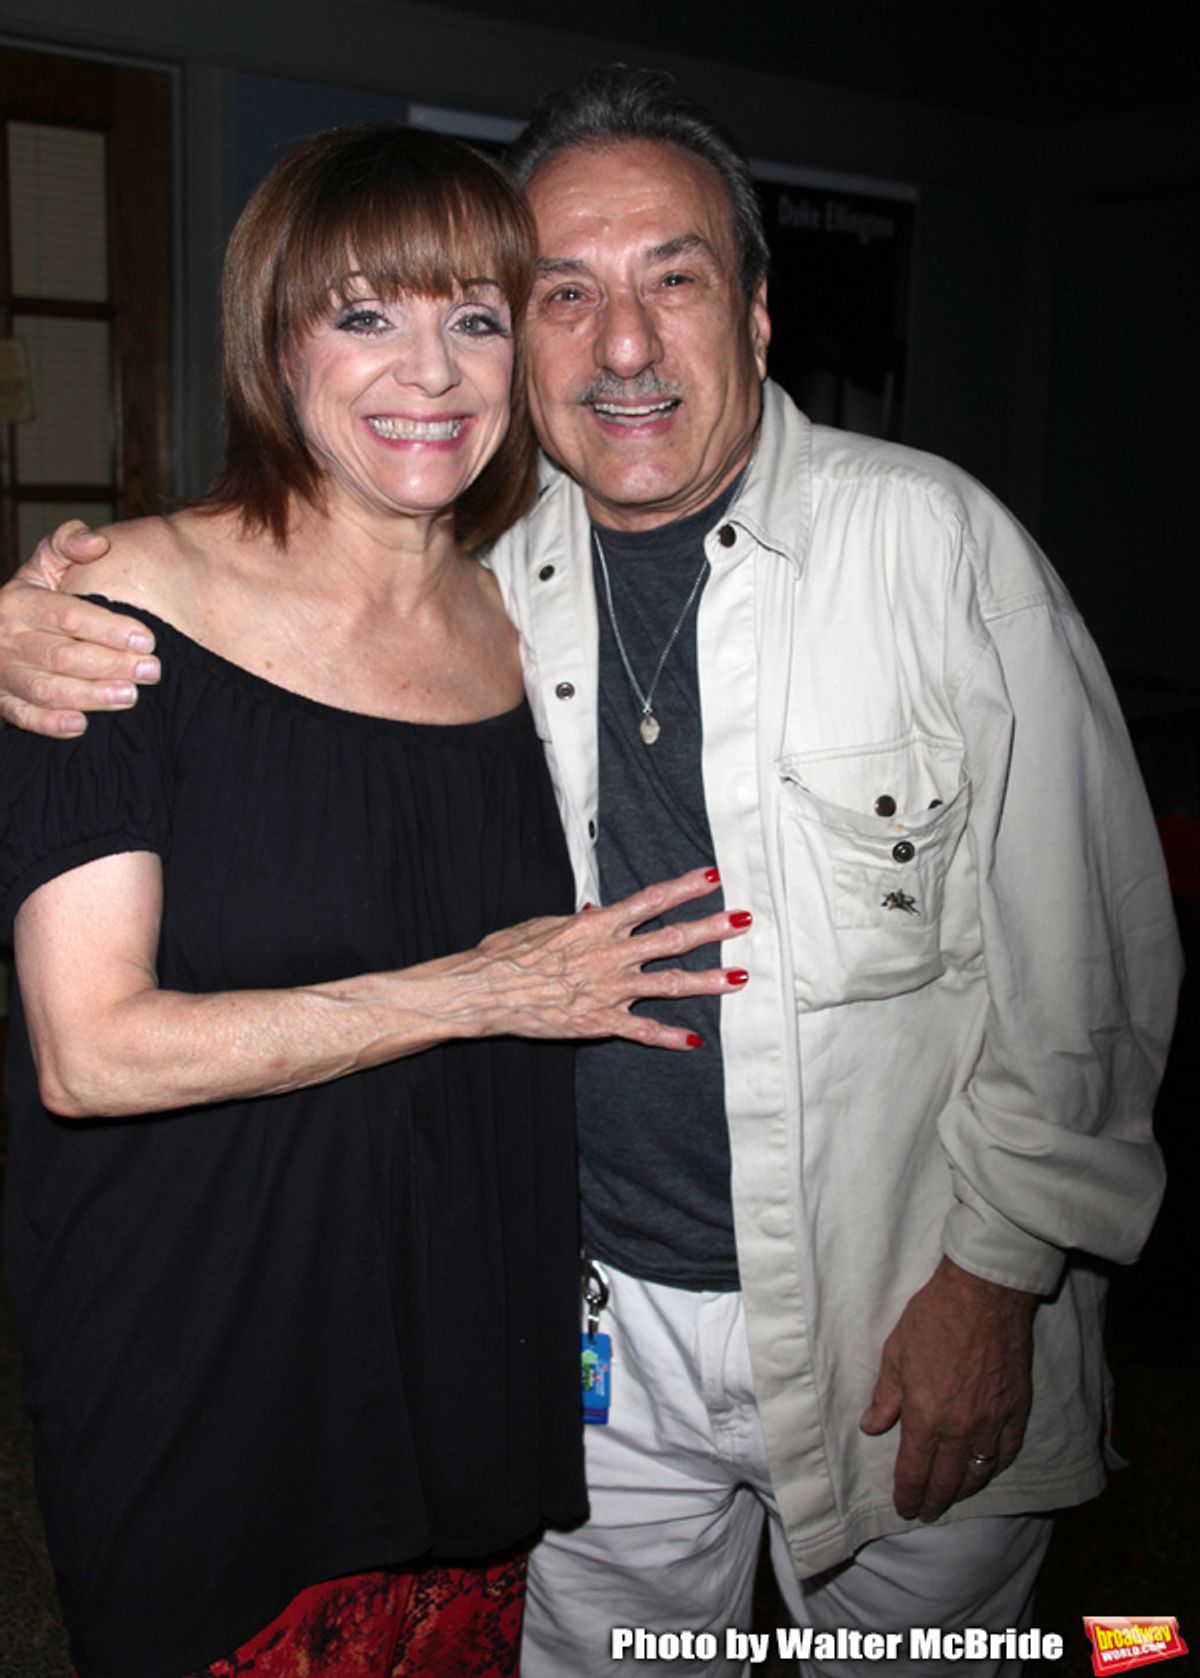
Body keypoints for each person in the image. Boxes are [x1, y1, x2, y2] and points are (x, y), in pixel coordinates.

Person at [0, 67, 1182, 1678]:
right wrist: (27, 609)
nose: (623, 345)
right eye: (563, 294)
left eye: (673, 279)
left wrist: (998, 1279)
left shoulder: (939, 551)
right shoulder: (495, 584)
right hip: (589, 1335)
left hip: (891, 1317)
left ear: (757, 317)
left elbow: (1097, 966)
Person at [0, 120, 750, 1678]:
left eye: (477, 316)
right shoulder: (120, 605)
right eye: (368, 315)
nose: (435, 372)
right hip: (216, 1348)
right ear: (279, 343)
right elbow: (93, 1052)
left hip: (465, 1330)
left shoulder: (519, 606)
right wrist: (482, 989)